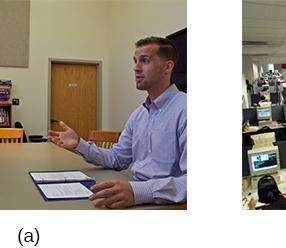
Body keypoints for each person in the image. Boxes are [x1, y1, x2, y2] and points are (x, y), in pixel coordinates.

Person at [48, 37, 186, 209]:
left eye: (144, 61)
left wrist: (139, 192)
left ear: (167, 66)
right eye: (135, 61)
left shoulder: (185, 110)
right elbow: (117, 158)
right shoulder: (139, 115)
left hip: (169, 205)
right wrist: (79, 144)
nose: (136, 68)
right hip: (135, 193)